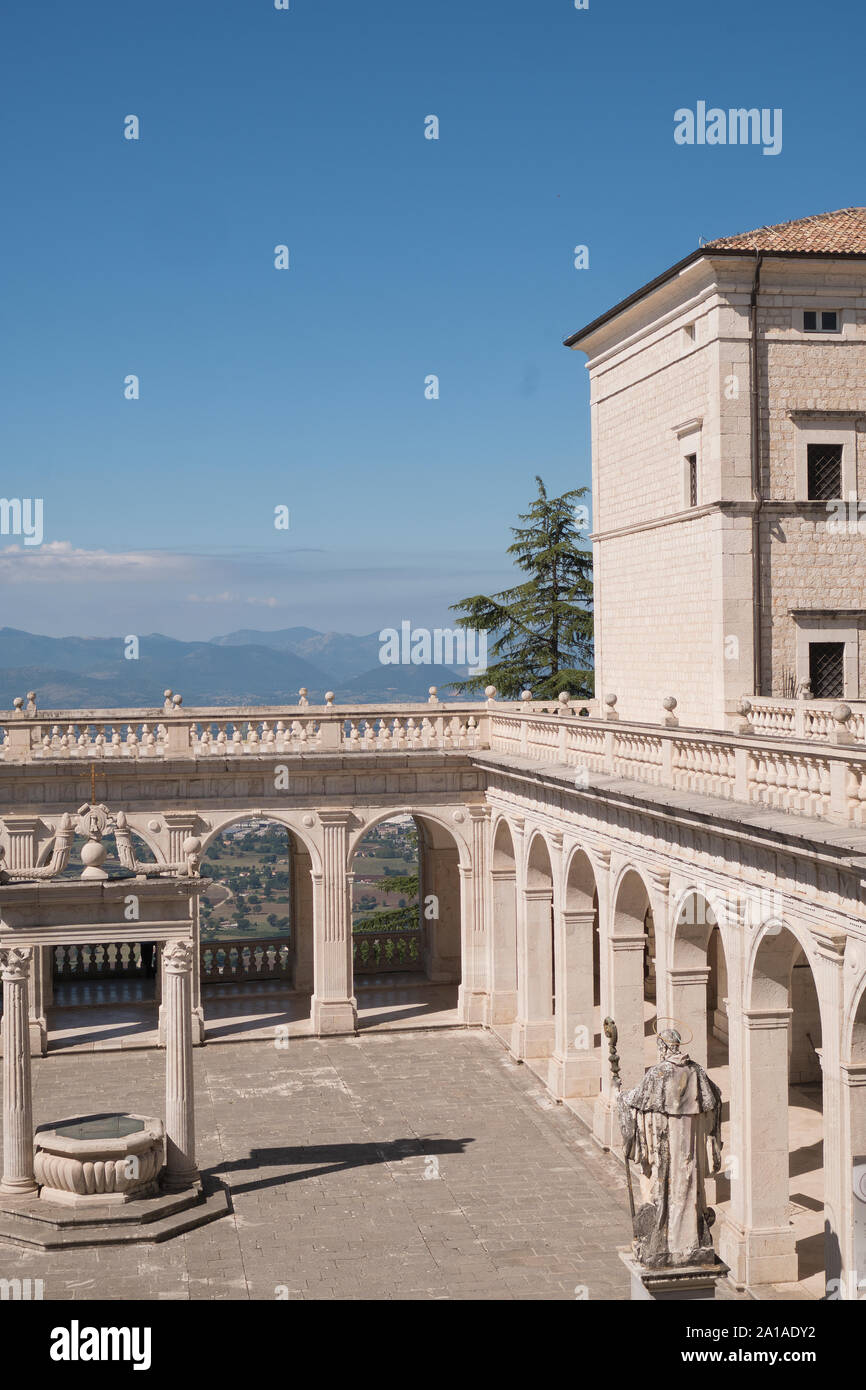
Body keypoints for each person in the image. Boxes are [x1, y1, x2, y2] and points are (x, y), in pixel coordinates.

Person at [617, 1027, 723, 1268]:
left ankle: (668, 1241)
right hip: (691, 1148)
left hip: (668, 1145)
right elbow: (715, 1097)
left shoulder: (659, 1074)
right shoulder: (696, 1071)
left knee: (666, 1190)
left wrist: (620, 1096)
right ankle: (692, 1240)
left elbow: (635, 1100)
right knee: (691, 1187)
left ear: (663, 1048)